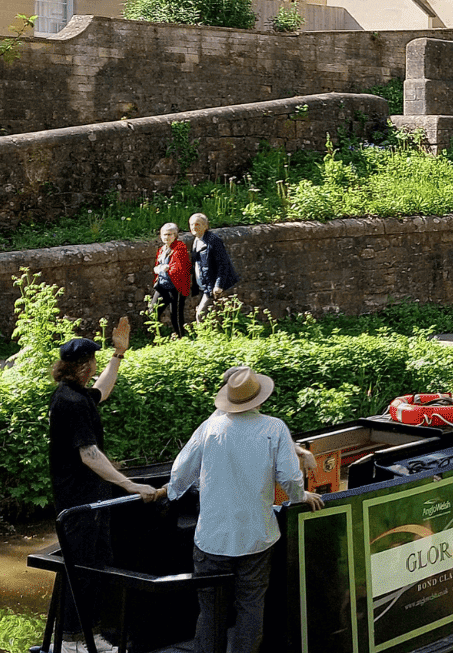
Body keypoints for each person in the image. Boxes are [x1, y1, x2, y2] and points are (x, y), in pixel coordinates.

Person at [165, 366, 324, 653]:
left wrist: (170, 494)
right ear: (259, 399)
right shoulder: (274, 428)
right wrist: (300, 497)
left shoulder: (209, 427)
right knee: (251, 608)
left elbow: (179, 474)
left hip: (211, 539)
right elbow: (289, 477)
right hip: (256, 537)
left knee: (211, 612)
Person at [48, 318, 160, 653]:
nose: (96, 367)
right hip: (81, 503)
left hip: (87, 500)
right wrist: (130, 485)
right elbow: (89, 454)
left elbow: (102, 390)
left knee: (93, 565)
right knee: (83, 569)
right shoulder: (71, 404)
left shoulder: (73, 395)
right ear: (83, 367)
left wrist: (119, 355)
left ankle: (85, 633)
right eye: (94, 362)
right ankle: (70, 640)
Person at [189, 213, 239, 320]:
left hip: (212, 286)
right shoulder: (196, 241)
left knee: (201, 315)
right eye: (192, 224)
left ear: (205, 226)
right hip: (203, 284)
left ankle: (204, 336)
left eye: (197, 224)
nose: (194, 227)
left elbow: (223, 264)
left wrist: (218, 285)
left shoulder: (213, 241)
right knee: (210, 315)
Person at [153, 223, 192, 337]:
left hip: (176, 286)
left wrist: (162, 269)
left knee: (175, 315)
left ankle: (181, 338)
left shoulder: (180, 247)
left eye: (170, 234)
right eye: (164, 234)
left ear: (175, 235)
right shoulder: (162, 250)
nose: (166, 237)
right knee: (153, 311)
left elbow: (177, 268)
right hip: (162, 285)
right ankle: (157, 337)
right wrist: (160, 269)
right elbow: (159, 266)